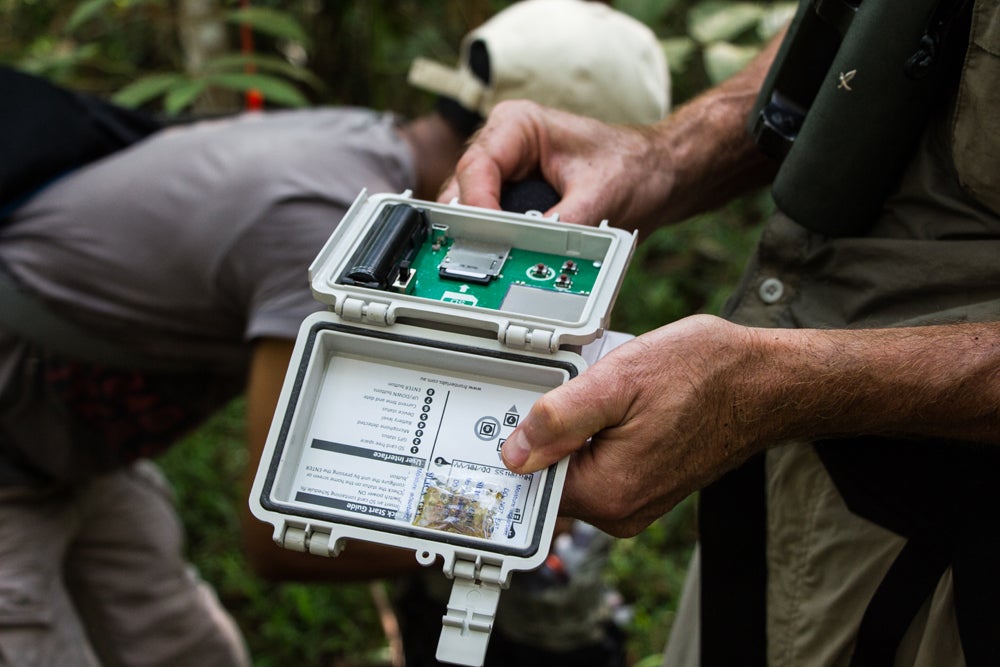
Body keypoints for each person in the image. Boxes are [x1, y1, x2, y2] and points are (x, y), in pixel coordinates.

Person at [0, 1, 670, 665]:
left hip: (77, 445)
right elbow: (276, 537)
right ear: (539, 160)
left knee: (184, 646)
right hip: (18, 440)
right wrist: (506, 532)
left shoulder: (363, 146)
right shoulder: (329, 235)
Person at [442, 0, 1000, 665]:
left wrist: (771, 385)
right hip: (767, 486)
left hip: (944, 539)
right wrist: (662, 156)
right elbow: (873, 32)